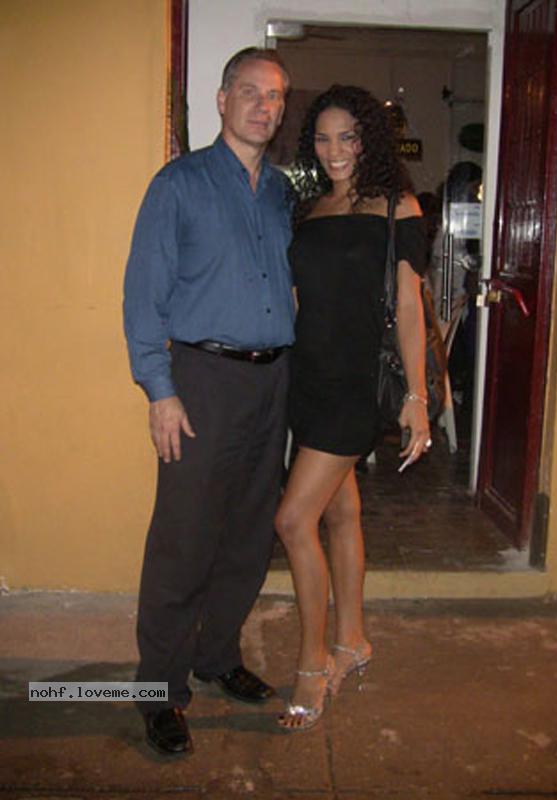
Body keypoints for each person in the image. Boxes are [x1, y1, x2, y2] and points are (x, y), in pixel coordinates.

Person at [123, 47, 294, 755]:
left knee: (249, 536)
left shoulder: (281, 192)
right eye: (249, 91)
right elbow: (143, 296)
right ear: (222, 100)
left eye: (275, 95)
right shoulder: (179, 184)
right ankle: (157, 691)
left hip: (272, 381)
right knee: (183, 542)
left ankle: (217, 655)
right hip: (202, 380)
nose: (263, 105)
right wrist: (160, 391)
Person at [275, 85, 431, 732]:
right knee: (340, 513)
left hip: (354, 384)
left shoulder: (397, 207)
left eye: (347, 137)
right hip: (306, 377)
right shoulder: (308, 208)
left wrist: (418, 397)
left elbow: (409, 307)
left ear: (368, 140)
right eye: (322, 137)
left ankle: (312, 664)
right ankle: (353, 639)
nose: (334, 149)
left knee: (292, 520)